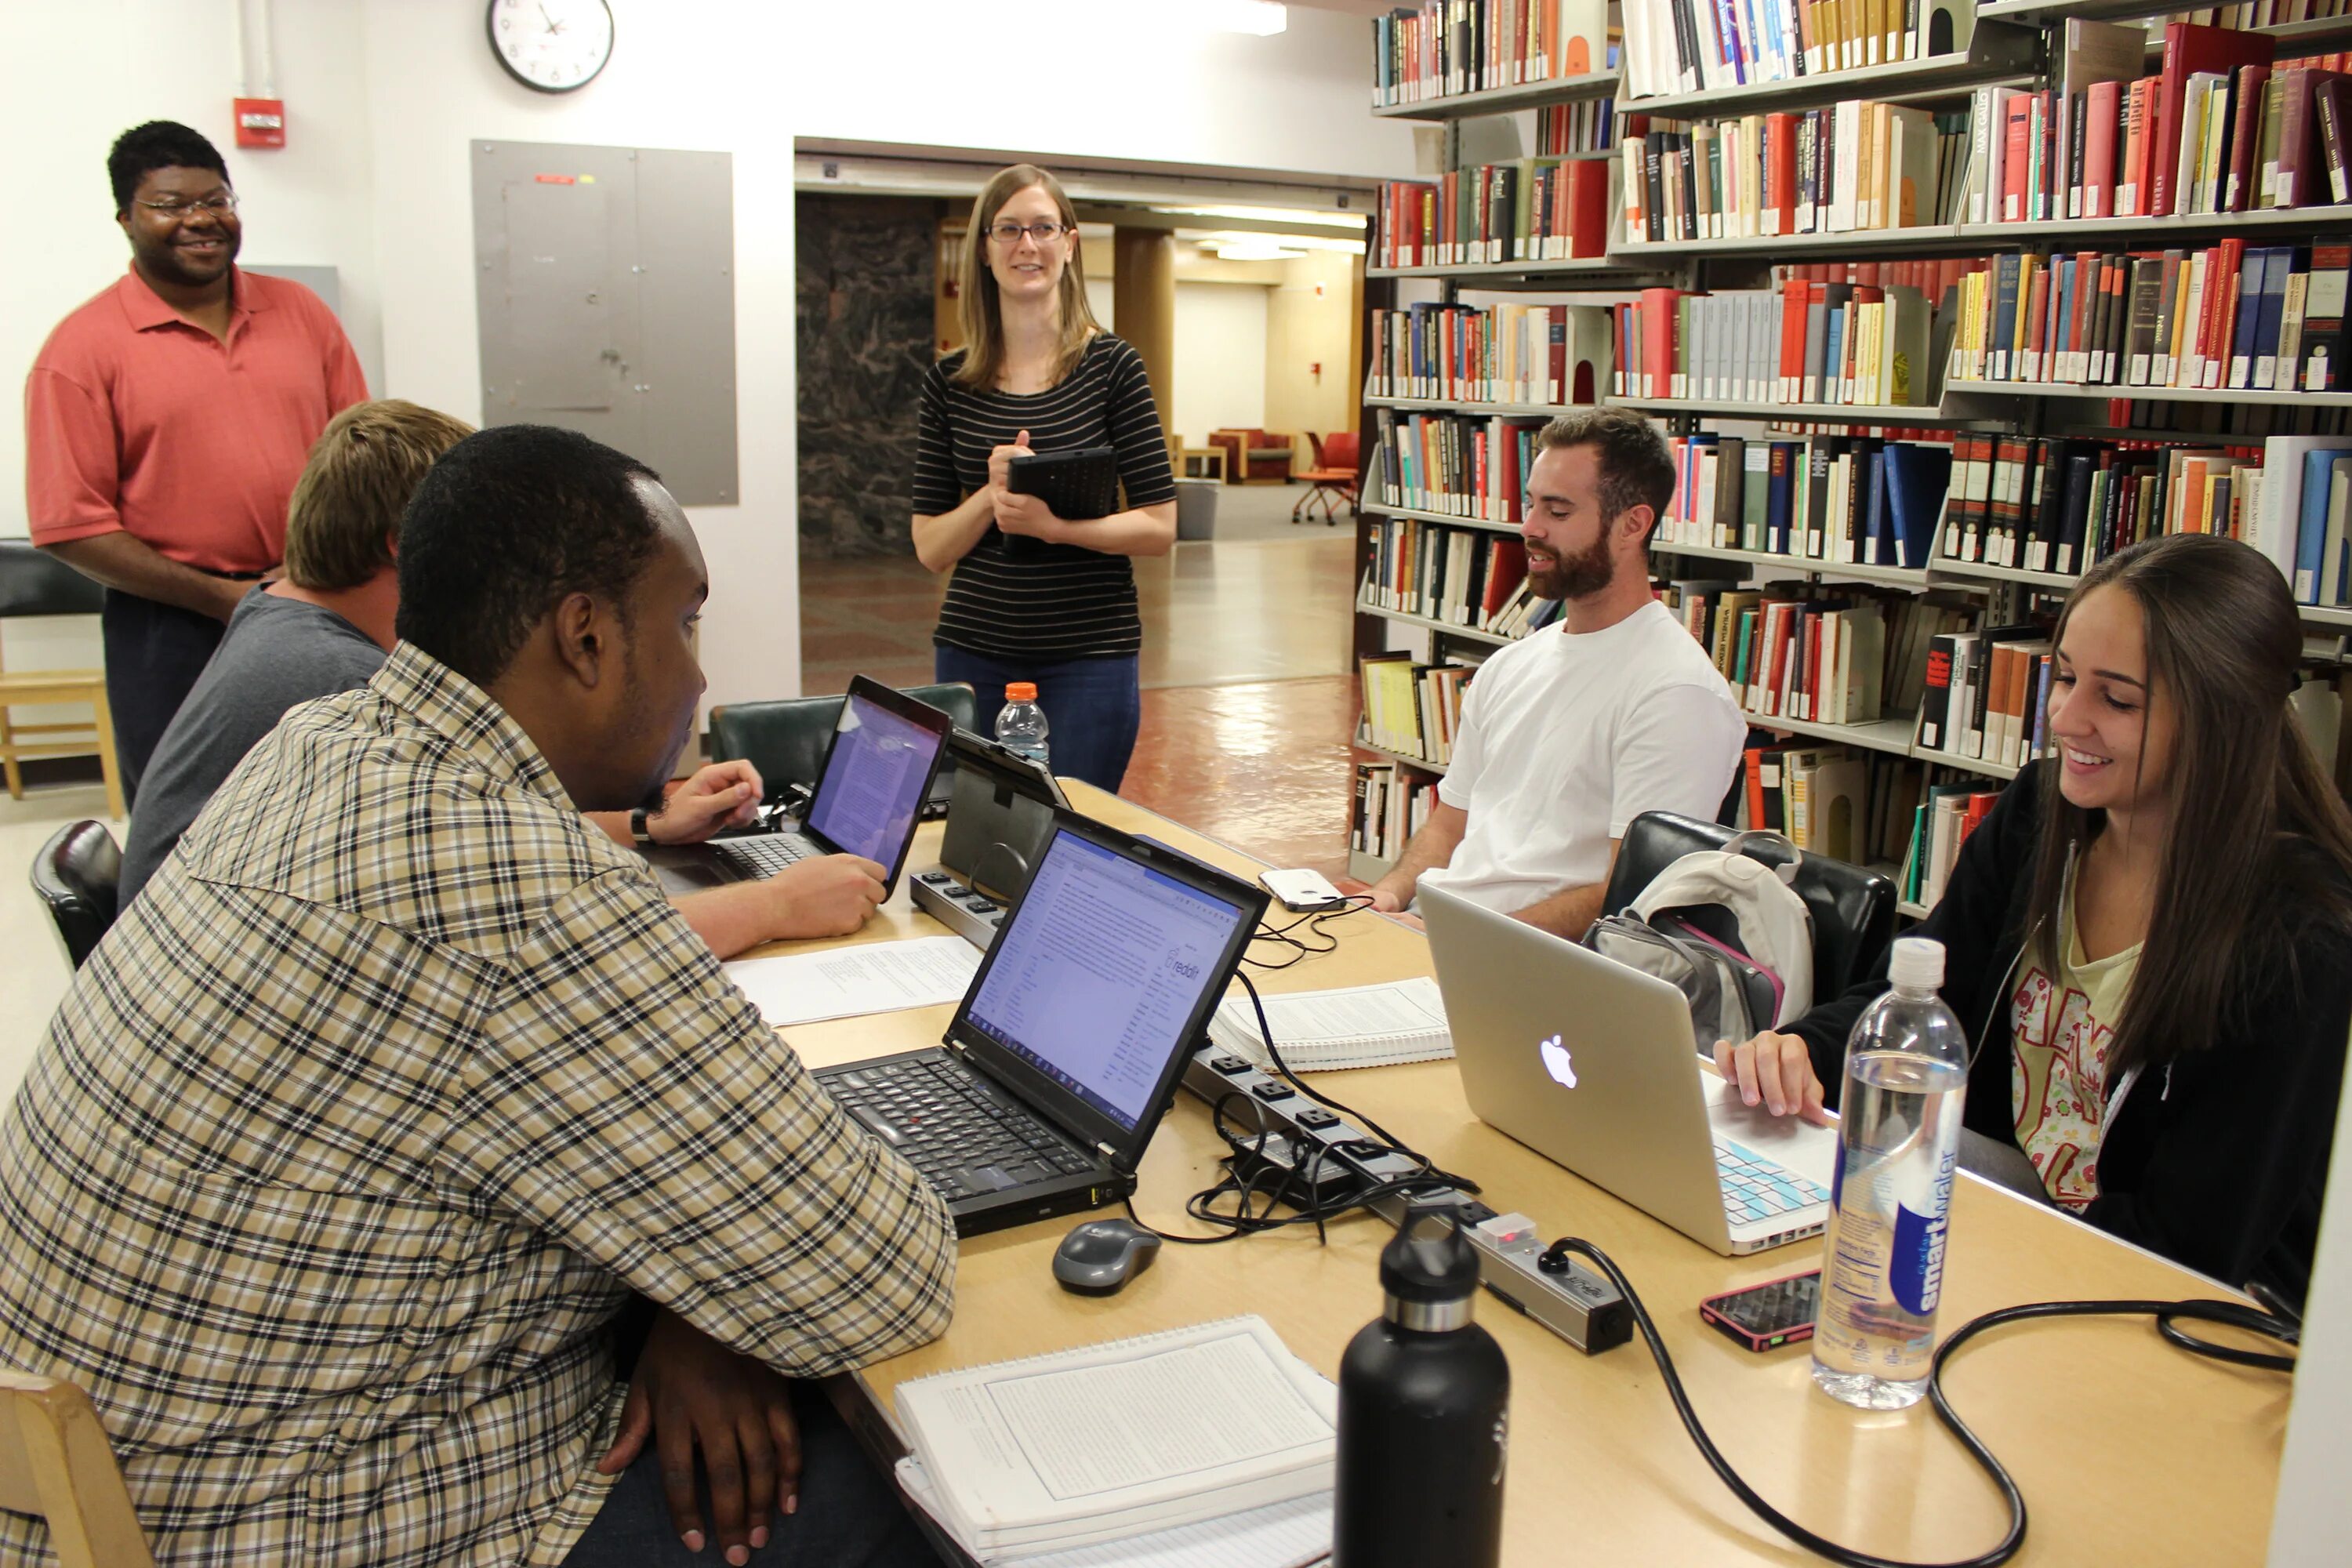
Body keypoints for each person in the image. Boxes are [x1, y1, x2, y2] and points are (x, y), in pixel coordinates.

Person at [0, 425, 956, 1568]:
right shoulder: (517, 889)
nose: (702, 679)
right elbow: (878, 1276)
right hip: (288, 1520)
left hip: (117, 1474)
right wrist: (718, 1300)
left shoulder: (319, 742)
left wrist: (691, 1306)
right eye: (687, 623)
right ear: (588, 637)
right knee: (919, 1481)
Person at [1717, 534, 2352, 1301]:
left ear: (2225, 718)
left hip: (2175, 1303)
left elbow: (2193, 1244)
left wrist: (1951, 1235)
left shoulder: (2299, 935)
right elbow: (1927, 990)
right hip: (2008, 1219)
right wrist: (1803, 1055)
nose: (2066, 717)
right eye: (2067, 678)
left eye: (2117, 699)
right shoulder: (2040, 814)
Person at [115, 399, 887, 956]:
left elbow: (467, 845)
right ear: (414, 545)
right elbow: (517, 905)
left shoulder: (289, 640)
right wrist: (773, 903)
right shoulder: (338, 682)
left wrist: (651, 825)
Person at [24, 121, 368, 801]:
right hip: (170, 625)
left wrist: (315, 575)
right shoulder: (81, 350)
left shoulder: (301, 312)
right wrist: (224, 599)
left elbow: (359, 452)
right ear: (125, 217)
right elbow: (70, 526)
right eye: (171, 205)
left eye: (217, 200)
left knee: (332, 801)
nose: (201, 220)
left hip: (316, 601)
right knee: (185, 815)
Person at [1366, 408, 1747, 936]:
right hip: (1438, 935)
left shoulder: (1676, 694)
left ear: (1633, 525)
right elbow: (1451, 823)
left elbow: (1631, 893)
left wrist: (1465, 941)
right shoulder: (1510, 665)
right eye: (1531, 503)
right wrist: (1390, 892)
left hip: (1524, 965)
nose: (1530, 528)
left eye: (1558, 511)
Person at [911, 162, 1178, 792]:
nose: (1025, 245)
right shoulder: (948, 383)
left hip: (1091, 656)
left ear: (1069, 243)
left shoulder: (1113, 367)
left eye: (1042, 228)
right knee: (979, 834)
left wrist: (1054, 527)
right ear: (985, 249)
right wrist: (992, 493)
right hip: (975, 650)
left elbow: (1160, 526)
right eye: (1008, 230)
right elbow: (930, 547)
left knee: (1073, 836)